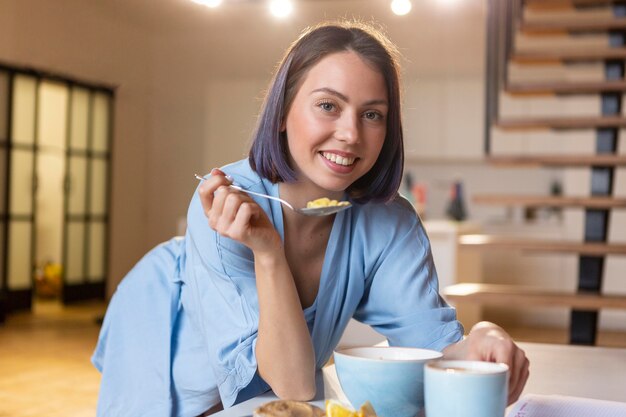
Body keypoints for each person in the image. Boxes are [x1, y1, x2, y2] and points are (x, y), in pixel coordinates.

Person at [92, 20, 529, 417]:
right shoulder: (225, 203)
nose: (350, 133)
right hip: (158, 324)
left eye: (372, 114)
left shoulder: (388, 222)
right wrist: (267, 250)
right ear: (282, 113)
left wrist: (485, 338)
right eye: (328, 106)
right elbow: (294, 384)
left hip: (278, 379)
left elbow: (434, 347)